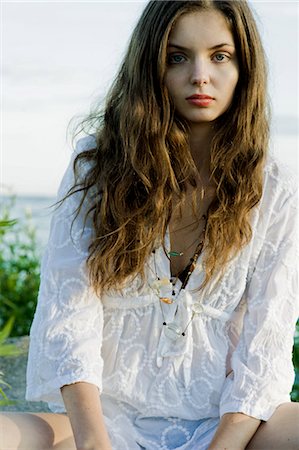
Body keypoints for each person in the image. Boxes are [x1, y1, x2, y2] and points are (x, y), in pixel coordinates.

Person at [1, 1, 298, 449]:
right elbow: (69, 315)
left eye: (220, 56)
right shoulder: (98, 168)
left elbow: (266, 344)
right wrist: (94, 443)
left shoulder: (274, 189)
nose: (201, 75)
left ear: (245, 68)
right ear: (150, 69)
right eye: (177, 57)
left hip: (223, 426)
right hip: (103, 422)